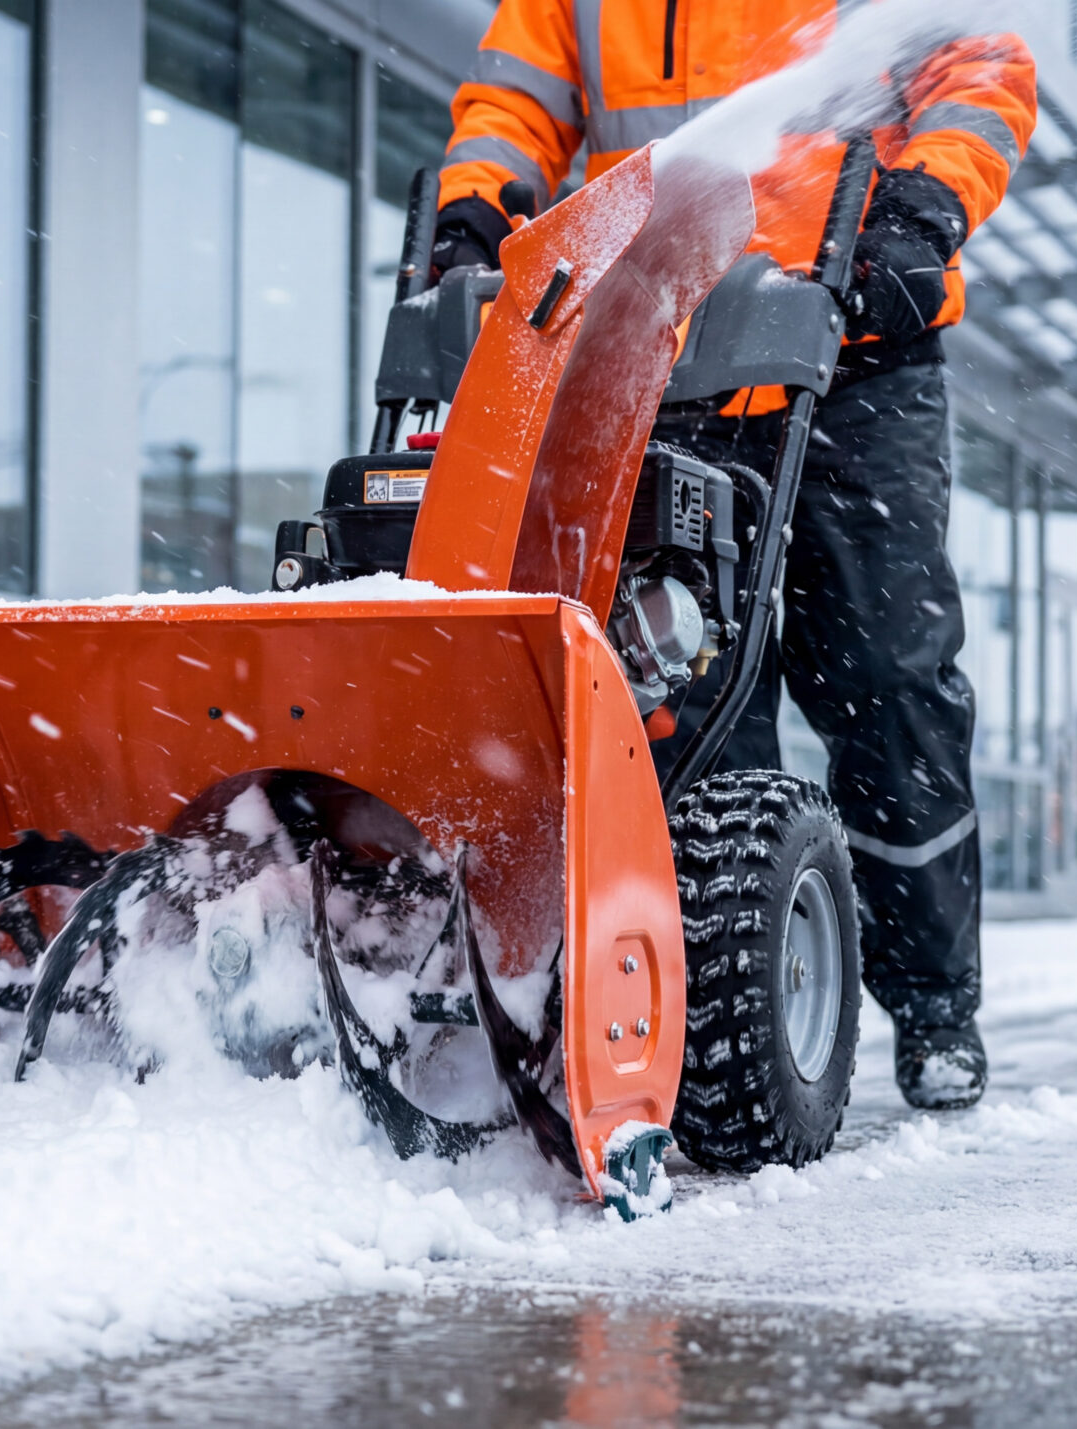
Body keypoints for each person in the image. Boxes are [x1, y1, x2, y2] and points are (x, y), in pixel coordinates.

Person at [432, 0, 1036, 1111]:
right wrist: (476, 208)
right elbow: (516, 97)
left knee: (888, 684)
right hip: (663, 352)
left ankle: (936, 1001)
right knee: (681, 689)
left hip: (857, 351)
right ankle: (717, 1008)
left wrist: (925, 205)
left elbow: (977, 66)